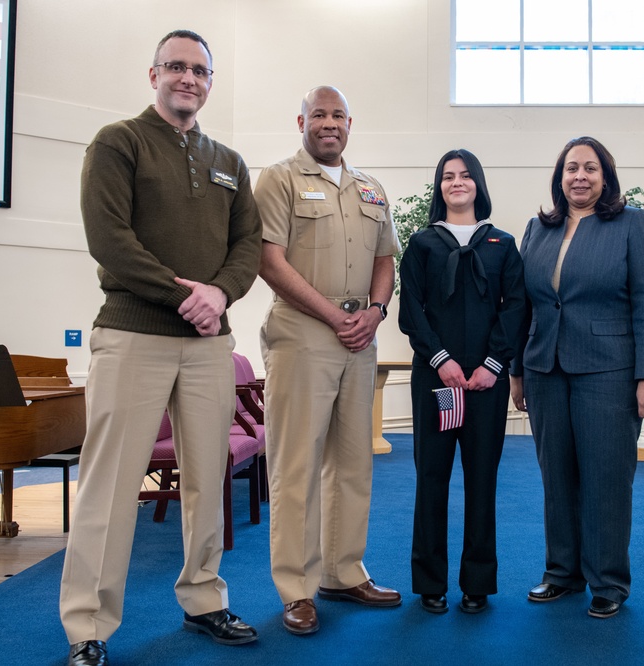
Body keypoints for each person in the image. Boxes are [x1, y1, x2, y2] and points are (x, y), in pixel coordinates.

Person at [60, 30, 262, 666]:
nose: (188, 78)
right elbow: (109, 238)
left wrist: (220, 296)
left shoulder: (229, 159)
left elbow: (248, 246)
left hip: (208, 345)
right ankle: (88, 625)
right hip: (132, 334)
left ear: (209, 82)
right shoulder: (119, 142)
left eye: (199, 70)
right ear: (153, 75)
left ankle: (204, 599)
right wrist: (187, 296)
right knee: (111, 485)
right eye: (175, 67)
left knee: (208, 481)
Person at [255, 86, 402, 636]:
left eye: (338, 114)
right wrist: (333, 314)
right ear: (302, 121)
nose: (329, 123)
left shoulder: (371, 187)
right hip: (302, 333)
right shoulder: (279, 178)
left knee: (352, 461)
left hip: (360, 336)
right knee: (296, 466)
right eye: (319, 114)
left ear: (349, 123)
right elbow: (268, 261)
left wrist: (376, 310)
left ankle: (343, 572)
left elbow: (386, 258)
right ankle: (296, 587)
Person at [510, 136, 644, 619]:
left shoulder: (632, 224)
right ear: (560, 177)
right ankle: (561, 573)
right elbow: (523, 305)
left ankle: (608, 582)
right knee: (556, 477)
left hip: (610, 370)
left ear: (606, 176)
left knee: (606, 477)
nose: (580, 176)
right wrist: (517, 371)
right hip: (544, 369)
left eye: (590, 168)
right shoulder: (538, 227)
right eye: (571, 168)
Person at [398, 149, 528, 615]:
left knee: (481, 480)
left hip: (485, 385)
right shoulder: (421, 244)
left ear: (478, 185)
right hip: (437, 381)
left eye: (466, 175)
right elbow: (411, 312)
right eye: (448, 177)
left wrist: (492, 365)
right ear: (440, 187)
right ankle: (429, 582)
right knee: (431, 478)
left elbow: (515, 308)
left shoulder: (502, 244)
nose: (457, 183)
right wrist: (442, 361)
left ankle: (477, 583)